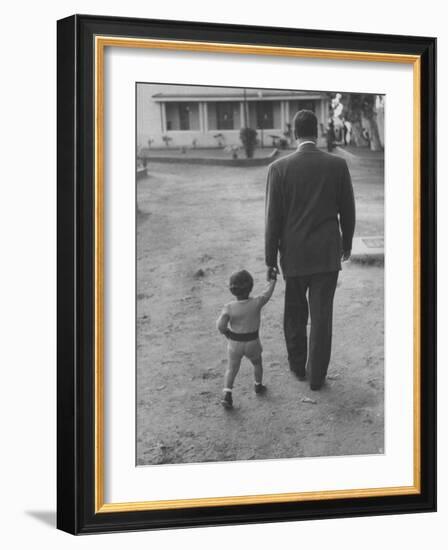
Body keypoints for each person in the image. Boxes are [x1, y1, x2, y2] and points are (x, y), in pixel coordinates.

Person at [265, 109, 355, 390]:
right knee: (321, 317)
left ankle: (297, 367)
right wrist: (347, 243)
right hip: (327, 255)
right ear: (317, 132)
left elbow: (273, 219)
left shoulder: (278, 169)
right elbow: (348, 211)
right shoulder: (337, 166)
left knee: (294, 314)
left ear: (294, 133)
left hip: (293, 255)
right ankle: (317, 376)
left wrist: (270, 259)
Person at [216, 269, 277, 409]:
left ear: (232, 290)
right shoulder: (256, 302)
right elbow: (268, 293)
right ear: (251, 287)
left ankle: (227, 394)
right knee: (257, 364)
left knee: (231, 368)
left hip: (234, 344)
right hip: (252, 343)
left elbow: (220, 325)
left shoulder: (229, 307)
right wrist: (272, 280)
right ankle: (258, 385)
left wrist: (226, 333)